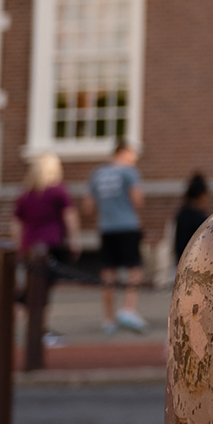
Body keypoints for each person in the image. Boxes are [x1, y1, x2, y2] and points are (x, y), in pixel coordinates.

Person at [9, 153, 77, 347]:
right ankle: (40, 330)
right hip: (50, 246)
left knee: (30, 289)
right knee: (42, 291)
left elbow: (15, 223)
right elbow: (69, 216)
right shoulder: (58, 191)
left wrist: (19, 246)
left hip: (30, 246)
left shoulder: (26, 193)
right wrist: (74, 241)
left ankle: (13, 327)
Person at [88, 141, 147, 334]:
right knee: (134, 269)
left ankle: (108, 319)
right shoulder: (129, 172)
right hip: (127, 226)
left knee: (108, 273)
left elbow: (88, 206)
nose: (135, 158)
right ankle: (128, 309)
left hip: (106, 227)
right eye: (133, 153)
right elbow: (137, 200)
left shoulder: (97, 174)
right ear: (122, 152)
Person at [171, 172, 212, 271]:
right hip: (196, 263)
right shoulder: (199, 217)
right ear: (202, 195)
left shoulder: (182, 213)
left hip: (181, 261)